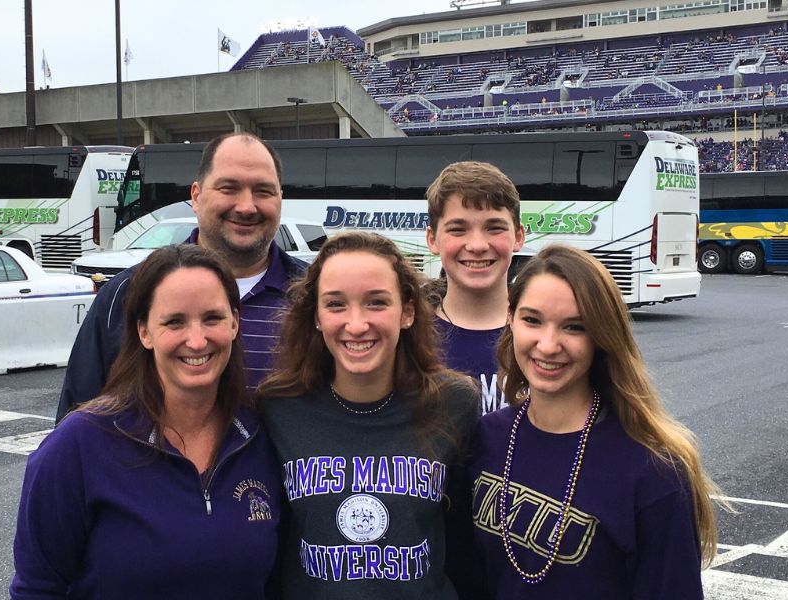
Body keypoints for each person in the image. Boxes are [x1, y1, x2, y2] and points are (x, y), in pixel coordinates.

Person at [12, 245, 284, 599]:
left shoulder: (260, 439)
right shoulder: (78, 444)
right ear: (144, 332)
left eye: (213, 318)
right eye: (174, 322)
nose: (197, 339)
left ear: (235, 322)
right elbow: (37, 589)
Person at [468, 244, 720, 599]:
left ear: (602, 336)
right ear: (510, 317)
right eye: (532, 320)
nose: (548, 344)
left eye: (574, 327)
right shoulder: (488, 437)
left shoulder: (654, 471)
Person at [257, 232, 482, 599]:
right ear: (315, 315)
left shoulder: (454, 403)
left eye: (377, 302)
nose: (357, 324)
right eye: (336, 305)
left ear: (407, 311)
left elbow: (465, 542)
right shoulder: (279, 407)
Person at [56, 132, 306, 423]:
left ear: (280, 199)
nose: (246, 206)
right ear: (196, 197)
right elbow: (76, 423)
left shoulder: (317, 297)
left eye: (263, 191)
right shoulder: (126, 295)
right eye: (229, 188)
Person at [425, 161, 525, 415]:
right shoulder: (407, 336)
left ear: (519, 236)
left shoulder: (546, 335)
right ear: (432, 240)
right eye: (458, 230)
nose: (477, 245)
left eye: (494, 228)